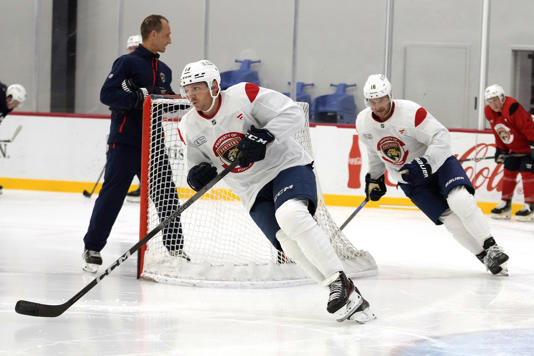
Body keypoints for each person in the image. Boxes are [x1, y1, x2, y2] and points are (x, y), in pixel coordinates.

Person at [178, 59, 375, 323]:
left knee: (291, 215)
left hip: (287, 166)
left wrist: (265, 135)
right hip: (250, 190)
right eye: (186, 89)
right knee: (288, 244)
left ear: (214, 85)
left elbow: (293, 113)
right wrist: (196, 176)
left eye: (197, 88)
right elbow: (197, 165)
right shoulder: (188, 126)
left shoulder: (243, 95)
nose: (191, 95)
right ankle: (342, 292)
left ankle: (338, 281)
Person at [356, 74, 510, 275]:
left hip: (439, 164)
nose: (378, 106)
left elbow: (441, 135)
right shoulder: (363, 122)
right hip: (409, 179)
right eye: (372, 101)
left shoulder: (411, 112)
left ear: (390, 95)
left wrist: (425, 163)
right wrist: (375, 178)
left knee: (460, 199)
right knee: (450, 220)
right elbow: (375, 152)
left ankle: (492, 247)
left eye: (381, 100)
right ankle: (485, 257)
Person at [82, 14, 188, 272]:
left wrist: (187, 101)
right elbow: (108, 94)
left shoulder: (164, 71)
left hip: (154, 144)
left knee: (166, 196)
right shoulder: (126, 63)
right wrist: (139, 99)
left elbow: (163, 102)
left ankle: (175, 247)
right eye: (167, 35)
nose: (170, 40)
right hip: (125, 144)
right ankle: (92, 247)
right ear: (153, 34)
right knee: (112, 196)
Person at [484, 84, 534, 221]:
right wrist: (500, 149)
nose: (492, 104)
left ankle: (530, 206)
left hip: (529, 147)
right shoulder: (489, 111)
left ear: (501, 97)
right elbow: (498, 131)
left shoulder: (512, 107)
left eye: (494, 99)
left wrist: (533, 147)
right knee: (508, 171)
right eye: (489, 100)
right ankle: (505, 204)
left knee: (527, 172)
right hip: (515, 149)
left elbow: (528, 126)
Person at [124, 34, 143, 200]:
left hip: (143, 121)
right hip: (125, 122)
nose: (132, 51)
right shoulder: (123, 67)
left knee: (142, 158)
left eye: (135, 48)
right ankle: (142, 186)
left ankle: (145, 186)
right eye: (130, 48)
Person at [1, 82, 27, 195]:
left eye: (18, 103)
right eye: (16, 102)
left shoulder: (8, 106)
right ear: (9, 97)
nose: (16, 105)